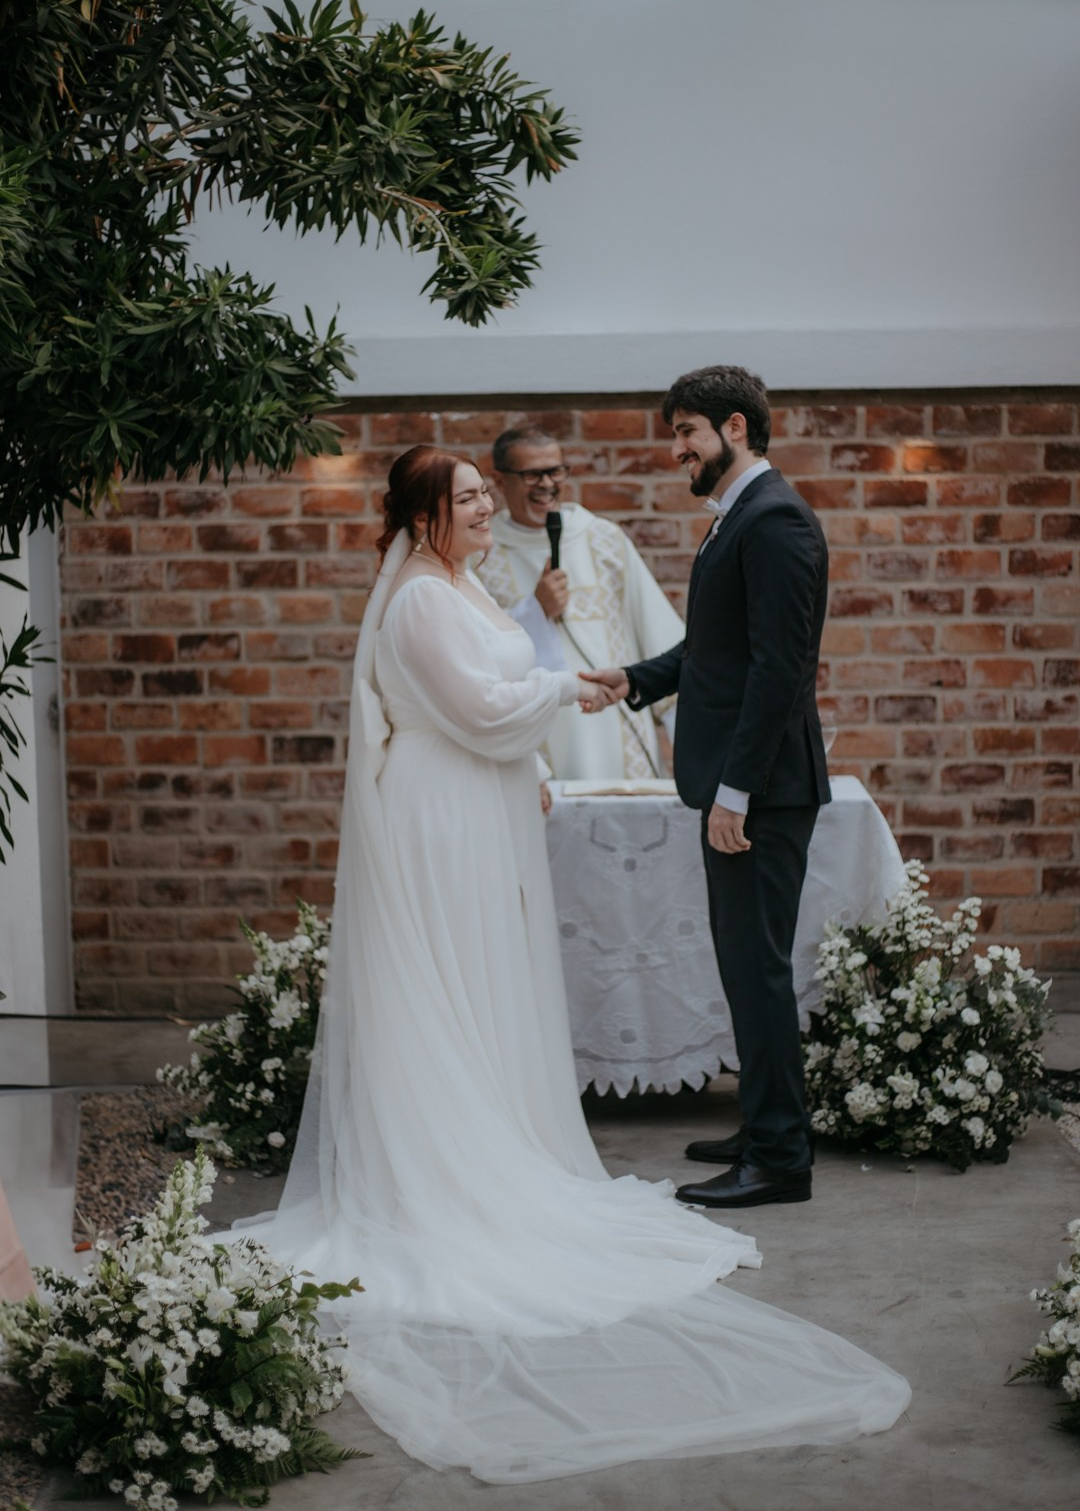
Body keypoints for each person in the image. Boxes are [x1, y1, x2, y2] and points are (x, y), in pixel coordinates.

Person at [230, 445, 908, 1482]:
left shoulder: (461, 582)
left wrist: (557, 729)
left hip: (483, 801)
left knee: (488, 988)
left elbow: (503, 688)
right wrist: (569, 700)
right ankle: (440, 1174)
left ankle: (493, 1144)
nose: (480, 511)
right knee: (446, 988)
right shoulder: (416, 601)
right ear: (421, 519)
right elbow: (480, 709)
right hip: (441, 815)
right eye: (463, 500)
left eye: (478, 498)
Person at [583, 366, 831, 1211]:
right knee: (743, 969)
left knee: (758, 972)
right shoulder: (737, 519)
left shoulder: (775, 520)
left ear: (735, 426)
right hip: (743, 788)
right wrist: (632, 678)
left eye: (686, 432)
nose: (676, 450)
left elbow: (779, 672)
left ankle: (780, 1160)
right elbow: (714, 652)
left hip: (760, 794)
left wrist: (737, 792)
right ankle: (766, 1125)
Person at [474, 427, 684, 779]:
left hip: (618, 736)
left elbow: (661, 638)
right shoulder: (482, 556)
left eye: (555, 471)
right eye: (531, 474)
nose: (547, 484)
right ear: (499, 479)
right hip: (536, 746)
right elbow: (477, 653)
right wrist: (535, 611)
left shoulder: (604, 540)